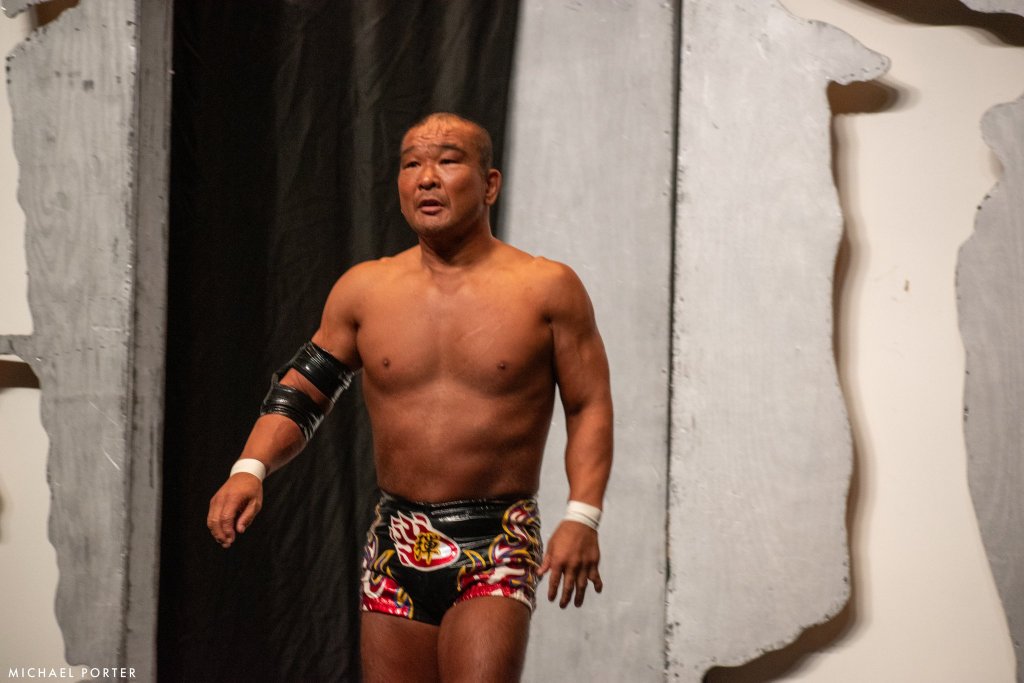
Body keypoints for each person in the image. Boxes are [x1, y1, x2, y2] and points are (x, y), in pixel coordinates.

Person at [207, 112, 613, 682]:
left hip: (495, 536)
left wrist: (583, 515)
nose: (426, 177)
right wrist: (249, 468)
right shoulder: (365, 290)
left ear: (489, 184)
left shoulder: (546, 288)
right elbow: (303, 392)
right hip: (396, 538)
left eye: (447, 161)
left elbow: (588, 405)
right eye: (411, 164)